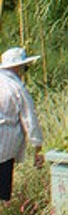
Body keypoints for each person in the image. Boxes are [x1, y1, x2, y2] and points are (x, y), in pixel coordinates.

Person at [0, 45, 44, 202]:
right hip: (4, 146)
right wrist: (38, 146)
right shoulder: (17, 88)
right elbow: (29, 119)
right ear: (17, 67)